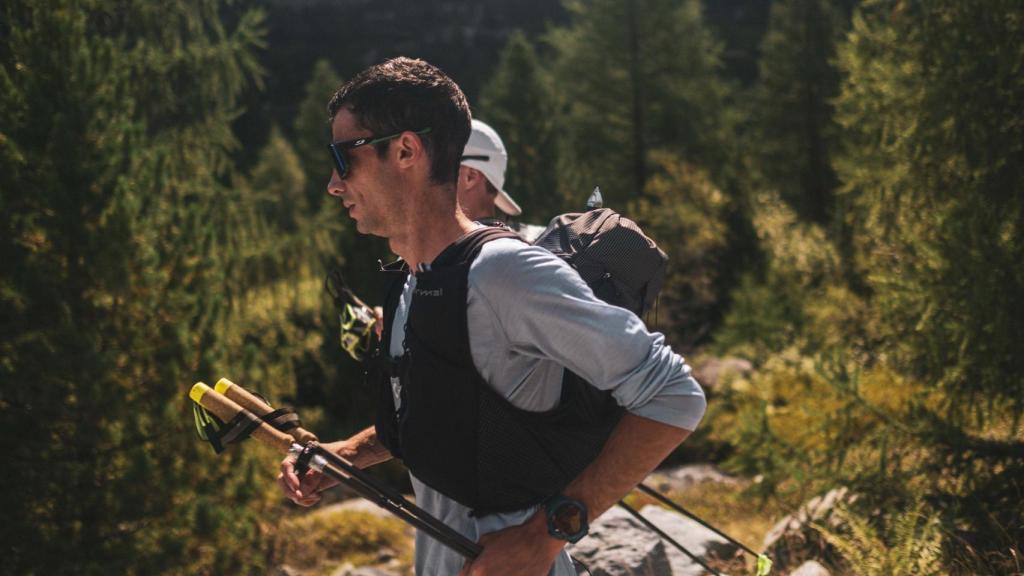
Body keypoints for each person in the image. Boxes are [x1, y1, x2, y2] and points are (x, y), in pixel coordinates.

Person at [278, 57, 706, 576]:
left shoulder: (503, 271)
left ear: (407, 150)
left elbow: (673, 393)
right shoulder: (416, 281)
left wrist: (548, 532)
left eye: (344, 158)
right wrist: (345, 453)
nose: (334, 183)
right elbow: (445, 422)